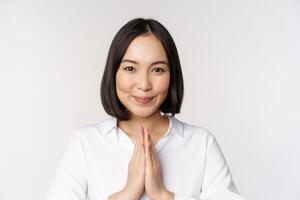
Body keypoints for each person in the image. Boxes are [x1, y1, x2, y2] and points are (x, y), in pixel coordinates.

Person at [46, 18, 245, 200]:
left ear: (171, 75)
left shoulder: (201, 144)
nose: (144, 84)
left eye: (157, 69)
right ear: (113, 72)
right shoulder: (85, 143)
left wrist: (163, 195)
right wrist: (125, 195)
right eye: (130, 68)